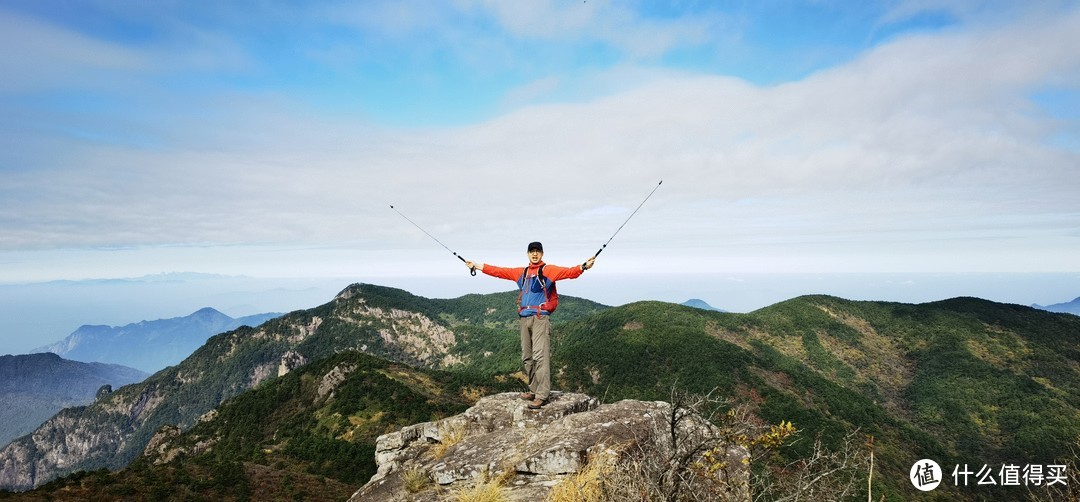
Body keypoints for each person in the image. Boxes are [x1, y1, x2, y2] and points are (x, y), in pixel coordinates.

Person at [466, 242, 596, 409]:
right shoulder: (523, 272)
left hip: (540, 318)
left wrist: (583, 266)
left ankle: (542, 395)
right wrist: (477, 265)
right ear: (528, 254)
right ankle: (534, 390)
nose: (534, 254)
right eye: (532, 251)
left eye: (537, 251)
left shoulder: (548, 270)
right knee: (527, 357)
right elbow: (499, 271)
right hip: (524, 318)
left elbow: (569, 272)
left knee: (540, 356)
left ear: (542, 254)